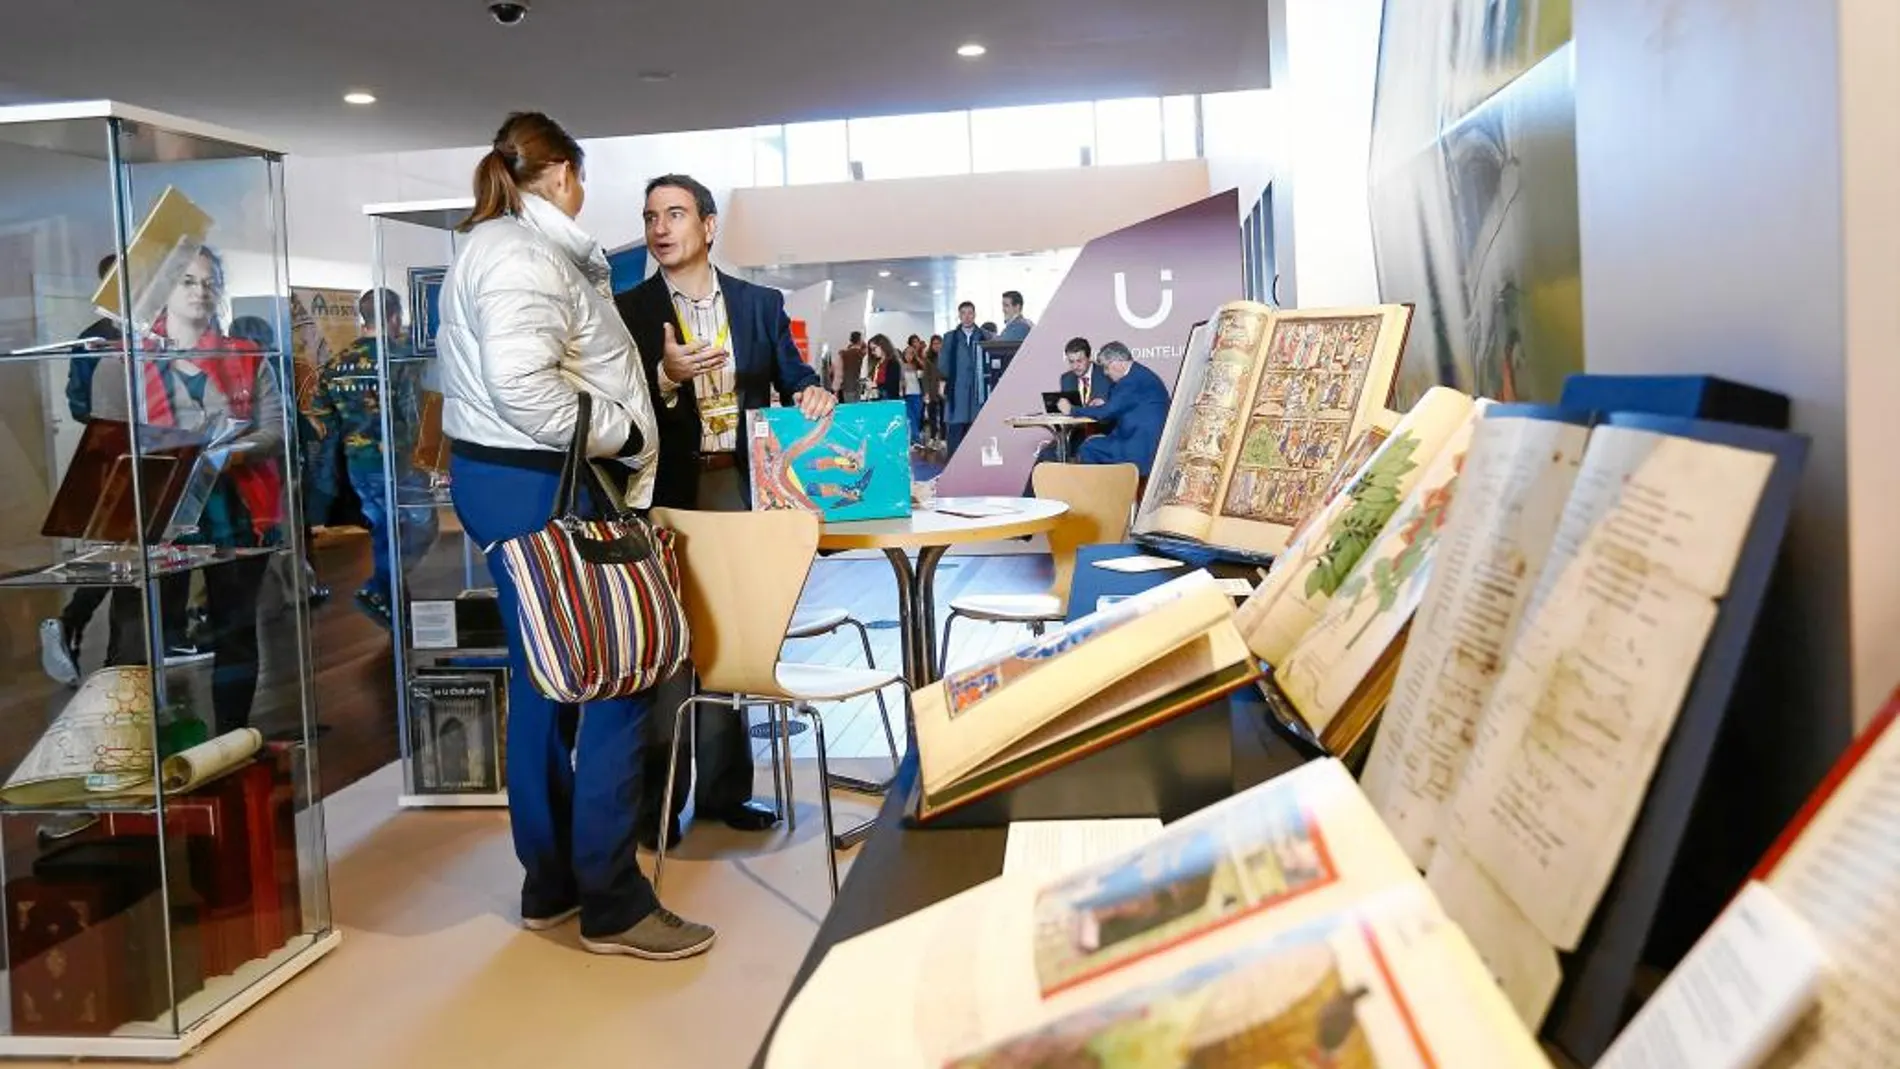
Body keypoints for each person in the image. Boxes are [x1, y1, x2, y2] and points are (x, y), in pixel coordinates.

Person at [438, 112, 713, 960]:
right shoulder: (520, 254)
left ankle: (551, 881)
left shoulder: (498, 247)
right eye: (583, 179)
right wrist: (620, 435)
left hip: (515, 479)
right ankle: (612, 898)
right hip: (543, 481)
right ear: (558, 174)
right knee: (617, 672)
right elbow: (526, 388)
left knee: (547, 677)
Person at [615, 172, 835, 850]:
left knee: (733, 636)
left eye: (675, 213)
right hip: (669, 495)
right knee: (671, 648)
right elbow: (619, 411)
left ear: (708, 225)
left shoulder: (759, 303)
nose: (660, 227)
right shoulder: (629, 309)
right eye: (651, 215)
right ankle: (658, 802)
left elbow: (791, 376)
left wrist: (814, 393)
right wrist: (666, 378)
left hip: (740, 489)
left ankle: (724, 792)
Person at [101, 244, 283, 735]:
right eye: (187, 281)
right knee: (141, 631)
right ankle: (133, 747)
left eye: (209, 281)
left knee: (237, 627)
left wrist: (222, 454)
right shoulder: (126, 361)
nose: (201, 291)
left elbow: (273, 430)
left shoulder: (246, 358)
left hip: (236, 507)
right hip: (156, 506)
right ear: (164, 290)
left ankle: (233, 739)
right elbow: (110, 442)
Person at [306, 289, 439, 627]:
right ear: (395, 316)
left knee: (384, 530)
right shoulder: (400, 358)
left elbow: (322, 419)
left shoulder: (337, 363)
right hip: (399, 462)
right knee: (422, 526)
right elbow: (415, 415)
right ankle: (379, 590)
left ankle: (392, 604)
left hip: (358, 465)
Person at [39, 254, 125, 686]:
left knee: (132, 554)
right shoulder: (97, 341)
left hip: (141, 456)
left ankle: (111, 652)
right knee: (123, 553)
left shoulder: (150, 335)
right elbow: (81, 406)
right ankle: (102, 650)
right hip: (120, 459)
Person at [1062, 342, 1171, 476]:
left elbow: (1106, 413)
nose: (1105, 373)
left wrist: (1072, 410)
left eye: (1106, 368)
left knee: (1089, 448)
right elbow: (1116, 407)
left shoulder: (1130, 382)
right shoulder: (1138, 374)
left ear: (1118, 363)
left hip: (1140, 447)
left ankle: (1097, 494)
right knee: (1093, 443)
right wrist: (1104, 406)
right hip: (1140, 440)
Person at [938, 302, 991, 454]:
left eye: (970, 313)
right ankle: (953, 465)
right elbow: (943, 364)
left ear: (975, 314)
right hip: (957, 391)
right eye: (963, 313)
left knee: (978, 429)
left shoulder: (985, 336)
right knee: (955, 430)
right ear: (959, 315)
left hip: (979, 391)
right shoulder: (950, 338)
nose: (967, 317)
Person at [900, 334, 926, 442]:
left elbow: (926, 367)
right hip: (907, 394)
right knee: (910, 417)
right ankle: (915, 438)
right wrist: (901, 392)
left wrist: (917, 357)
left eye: (911, 354)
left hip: (917, 393)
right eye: (907, 354)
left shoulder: (917, 366)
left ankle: (915, 437)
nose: (909, 356)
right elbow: (900, 380)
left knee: (918, 416)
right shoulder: (901, 365)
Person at [830, 330, 866, 402]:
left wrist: (835, 389)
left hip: (848, 387)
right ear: (860, 340)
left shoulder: (843, 354)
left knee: (851, 409)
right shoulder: (863, 355)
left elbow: (838, 373)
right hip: (862, 387)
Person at [864, 333, 902, 401]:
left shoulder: (893, 363)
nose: (872, 352)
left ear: (882, 346)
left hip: (888, 400)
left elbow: (892, 386)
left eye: (874, 349)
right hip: (876, 399)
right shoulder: (876, 364)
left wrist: (875, 386)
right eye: (871, 349)